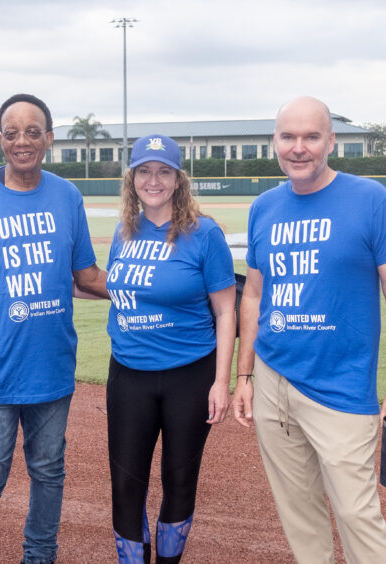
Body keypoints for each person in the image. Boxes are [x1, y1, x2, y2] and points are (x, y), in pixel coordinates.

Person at [232, 96, 386, 563]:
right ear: (274, 142)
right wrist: (245, 376)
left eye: (311, 137)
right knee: (299, 515)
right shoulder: (264, 207)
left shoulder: (370, 199)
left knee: (357, 514)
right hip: (275, 380)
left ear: (331, 141)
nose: (299, 148)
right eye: (288, 137)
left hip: (341, 387)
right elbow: (253, 295)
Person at [0, 93, 108, 564]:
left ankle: (40, 557)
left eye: (33, 131)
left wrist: (149, 287)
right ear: (0, 140)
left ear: (49, 140)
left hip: (50, 368)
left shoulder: (66, 195)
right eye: (12, 133)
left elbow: (87, 276)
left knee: (49, 470)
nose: (22, 140)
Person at [106, 134, 237, 563]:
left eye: (164, 171)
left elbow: (226, 312)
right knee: (126, 483)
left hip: (189, 374)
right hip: (128, 373)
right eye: (144, 170)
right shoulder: (124, 232)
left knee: (179, 480)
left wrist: (222, 382)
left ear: (179, 179)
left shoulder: (204, 234)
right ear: (132, 179)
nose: (154, 180)